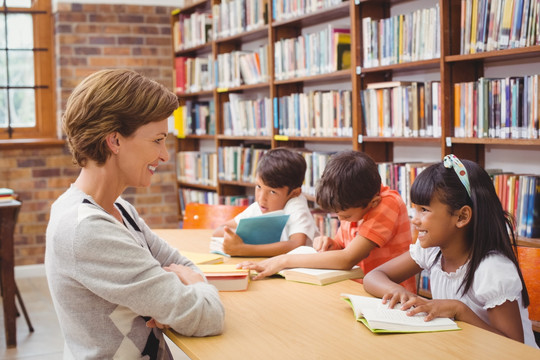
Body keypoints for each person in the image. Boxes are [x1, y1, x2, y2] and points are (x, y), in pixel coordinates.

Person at [45, 69, 225, 359]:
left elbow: (182, 266)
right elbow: (206, 315)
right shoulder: (87, 230)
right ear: (114, 141)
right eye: (157, 140)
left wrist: (179, 296)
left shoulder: (119, 210)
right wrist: (197, 288)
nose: (165, 155)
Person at [363, 154, 538, 348]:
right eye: (415, 209)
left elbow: (513, 348)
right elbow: (373, 277)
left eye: (424, 210)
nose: (414, 219)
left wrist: (460, 311)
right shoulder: (432, 251)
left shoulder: (492, 269)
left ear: (462, 216)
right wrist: (397, 291)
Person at [238, 150, 416, 293]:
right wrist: (331, 244)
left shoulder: (388, 204)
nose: (341, 219)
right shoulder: (350, 200)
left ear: (372, 203)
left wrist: (284, 261)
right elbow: (342, 246)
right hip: (356, 289)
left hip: (392, 297)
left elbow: (348, 259)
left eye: (345, 217)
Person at [213, 147, 319, 256]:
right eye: (258, 186)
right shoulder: (258, 207)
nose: (261, 198)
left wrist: (243, 249)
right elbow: (219, 231)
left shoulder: (296, 205)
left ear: (294, 193)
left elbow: (296, 245)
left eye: (272, 192)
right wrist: (238, 237)